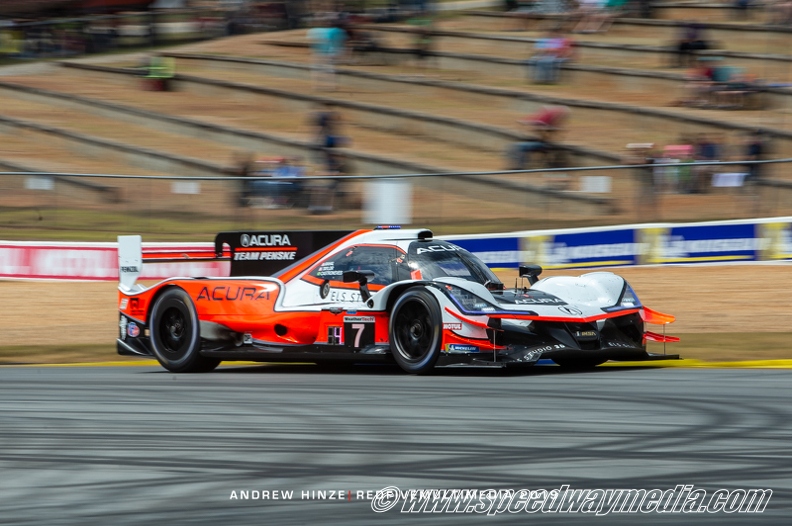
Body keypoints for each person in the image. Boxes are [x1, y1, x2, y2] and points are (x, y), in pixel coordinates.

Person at [507, 105, 569, 169]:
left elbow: (546, 138)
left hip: (544, 144)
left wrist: (541, 131)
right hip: (542, 143)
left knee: (519, 147)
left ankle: (520, 166)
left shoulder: (552, 127)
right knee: (515, 146)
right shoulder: (549, 126)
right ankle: (518, 165)